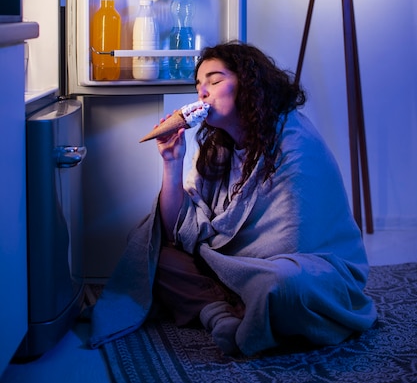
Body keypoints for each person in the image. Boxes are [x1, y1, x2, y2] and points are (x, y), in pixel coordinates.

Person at [89, 41, 377, 356]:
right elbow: (175, 229)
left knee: (282, 285)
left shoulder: (294, 143)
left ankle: (222, 305)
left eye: (214, 80)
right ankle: (223, 313)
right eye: (199, 85)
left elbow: (293, 243)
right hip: (232, 268)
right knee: (147, 245)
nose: (202, 92)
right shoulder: (219, 147)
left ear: (249, 85)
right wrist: (172, 162)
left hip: (303, 269)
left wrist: (216, 257)